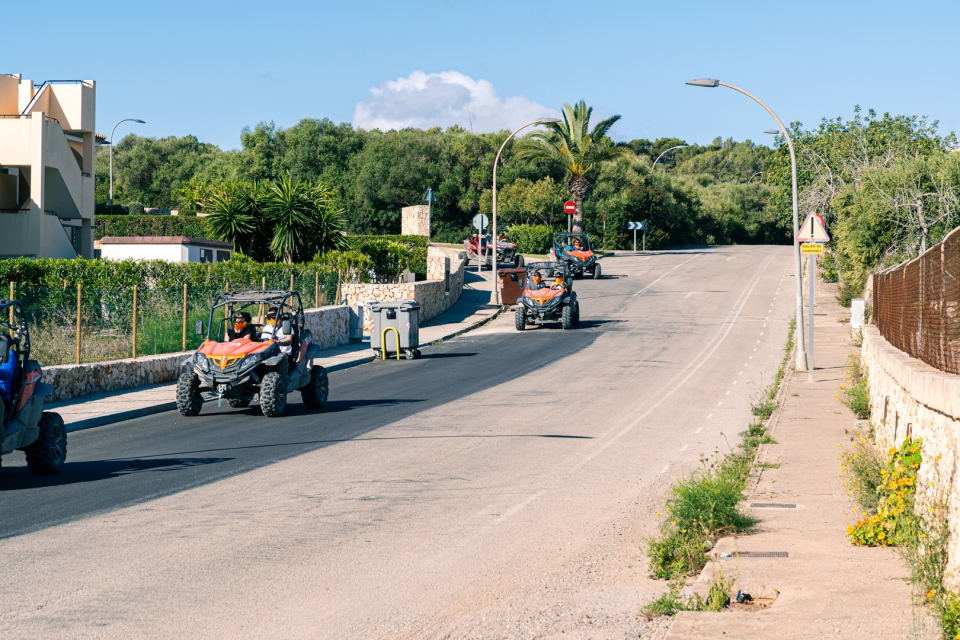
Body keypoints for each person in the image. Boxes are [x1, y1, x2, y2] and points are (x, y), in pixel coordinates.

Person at [260, 308, 295, 383]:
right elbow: (263, 341)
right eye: (269, 316)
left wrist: (281, 343)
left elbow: (289, 340)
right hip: (269, 352)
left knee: (282, 357)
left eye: (273, 315)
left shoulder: (286, 327)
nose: (271, 318)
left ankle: (283, 379)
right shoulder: (266, 328)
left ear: (279, 316)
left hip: (283, 352)